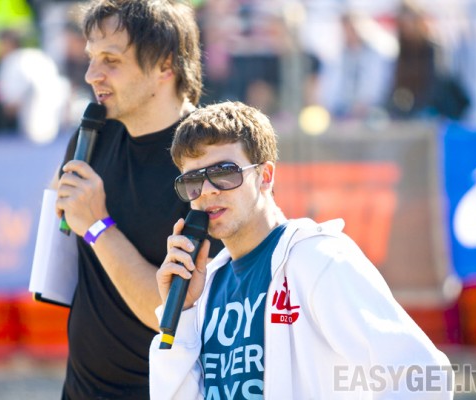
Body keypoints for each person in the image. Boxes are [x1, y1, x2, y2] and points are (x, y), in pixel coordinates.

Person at [149, 101, 454, 399]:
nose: (207, 191)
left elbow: (422, 375)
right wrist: (182, 313)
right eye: (193, 181)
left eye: (224, 173)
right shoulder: (204, 286)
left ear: (265, 176)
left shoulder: (318, 259)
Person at [52, 1, 221, 398]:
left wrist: (98, 226)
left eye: (111, 60)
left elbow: (172, 315)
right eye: (92, 58)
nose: (92, 75)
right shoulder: (91, 136)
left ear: (165, 65)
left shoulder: (209, 161)